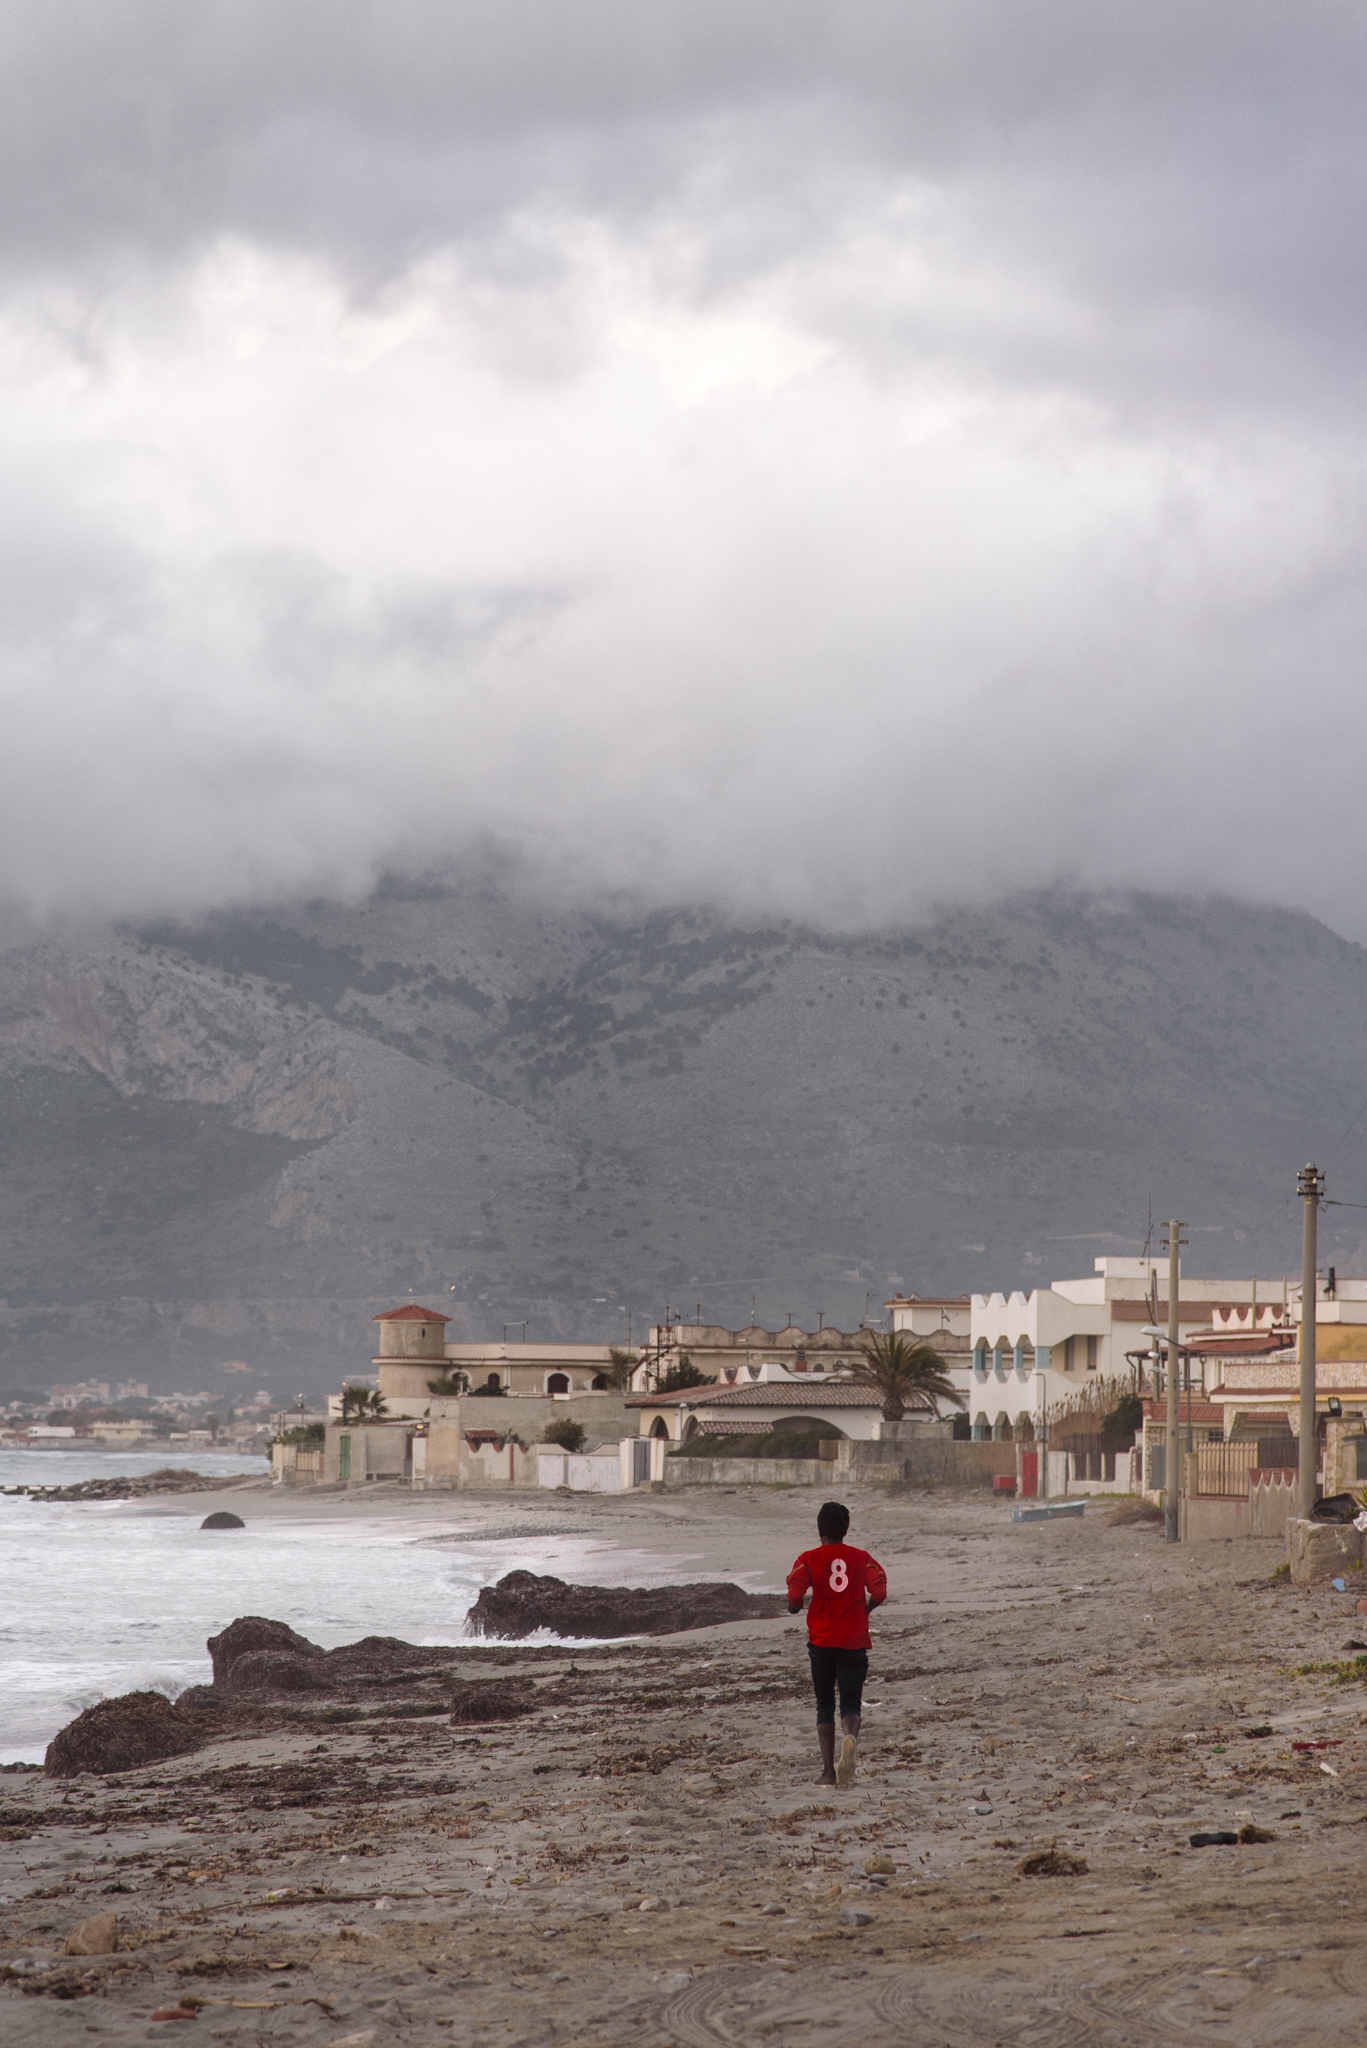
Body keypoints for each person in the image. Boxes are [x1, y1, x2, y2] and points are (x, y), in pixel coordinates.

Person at [786, 1499, 887, 1787]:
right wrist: (865, 1610)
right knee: (851, 1702)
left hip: (821, 1641)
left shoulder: (809, 1558)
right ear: (846, 1530)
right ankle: (851, 1738)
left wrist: (795, 1607)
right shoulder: (861, 1557)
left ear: (821, 1533)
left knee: (824, 1702)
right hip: (854, 1640)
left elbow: (795, 1594)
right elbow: (879, 1591)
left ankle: (828, 1772)